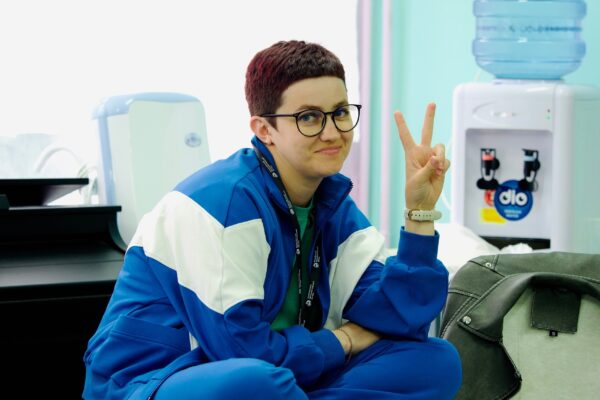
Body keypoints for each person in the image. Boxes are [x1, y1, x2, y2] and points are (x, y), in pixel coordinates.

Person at [83, 40, 462, 399]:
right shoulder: (221, 203)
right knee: (256, 382)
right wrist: (344, 339)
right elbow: (239, 349)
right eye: (309, 117)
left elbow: (401, 319)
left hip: (285, 373)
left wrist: (419, 214)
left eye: (340, 113)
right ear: (264, 130)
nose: (332, 132)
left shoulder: (331, 203)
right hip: (160, 378)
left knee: (434, 361)